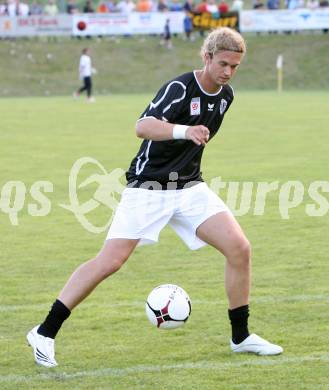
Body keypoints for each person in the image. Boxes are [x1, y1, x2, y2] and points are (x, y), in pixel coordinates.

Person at [27, 27, 283, 368]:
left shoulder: (226, 96)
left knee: (240, 248)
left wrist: (188, 146)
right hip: (148, 188)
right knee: (110, 262)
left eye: (235, 67)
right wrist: (183, 130)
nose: (228, 72)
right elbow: (143, 126)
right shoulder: (179, 88)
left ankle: (241, 337)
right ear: (206, 57)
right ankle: (44, 332)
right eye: (223, 63)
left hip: (189, 188)